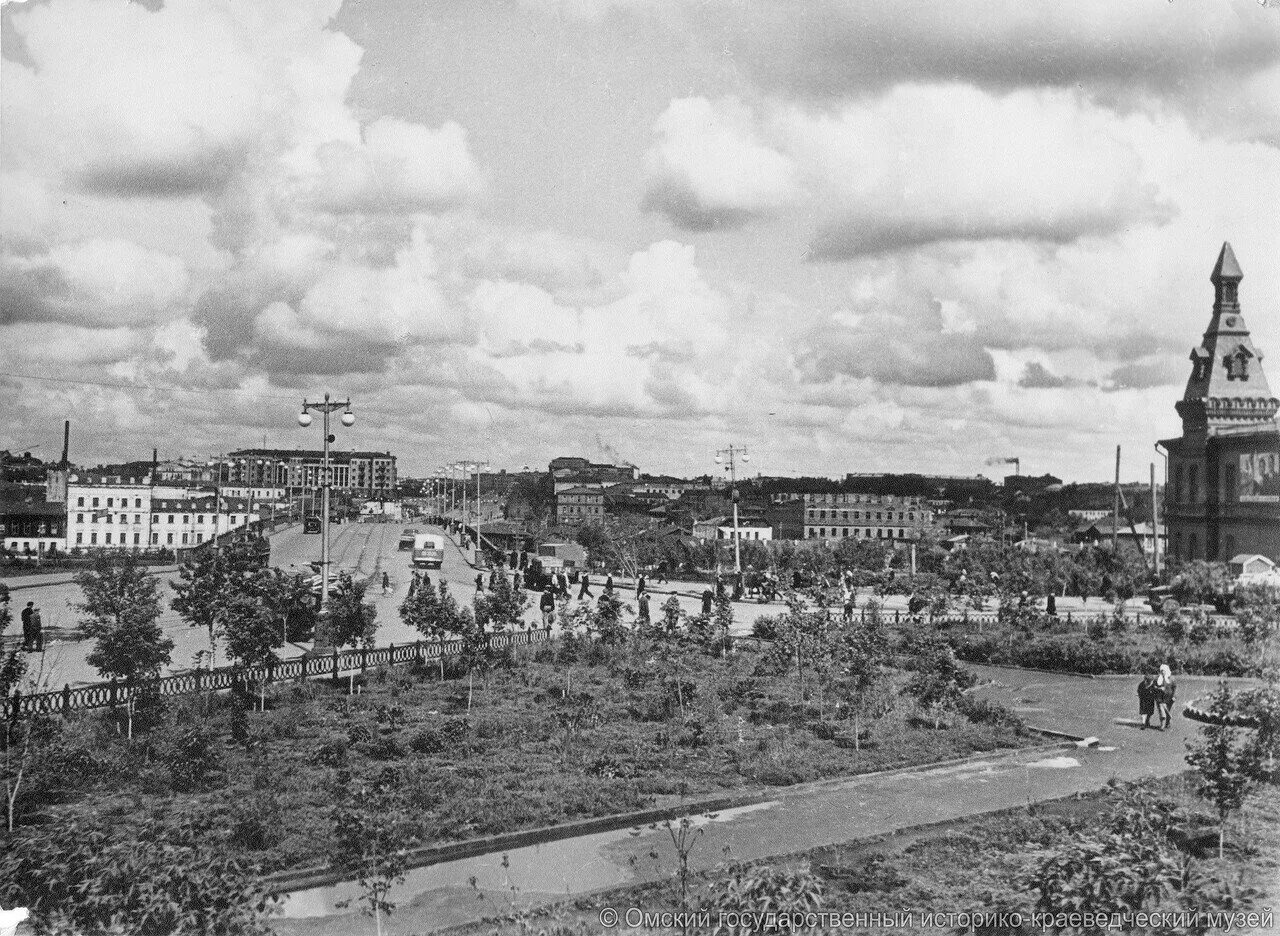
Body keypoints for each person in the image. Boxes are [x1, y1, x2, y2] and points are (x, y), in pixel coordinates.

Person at [1156, 664, 1176, 730]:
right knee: (1162, 712)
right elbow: (1153, 687)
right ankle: (1162, 725)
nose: (1162, 672)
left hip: (1169, 698)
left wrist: (1174, 696)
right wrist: (1159, 688)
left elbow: (1174, 688)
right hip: (1160, 698)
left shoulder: (1171, 678)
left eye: (1163, 671)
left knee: (1167, 711)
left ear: (1167, 670)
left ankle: (1167, 724)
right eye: (1161, 671)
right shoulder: (1158, 678)